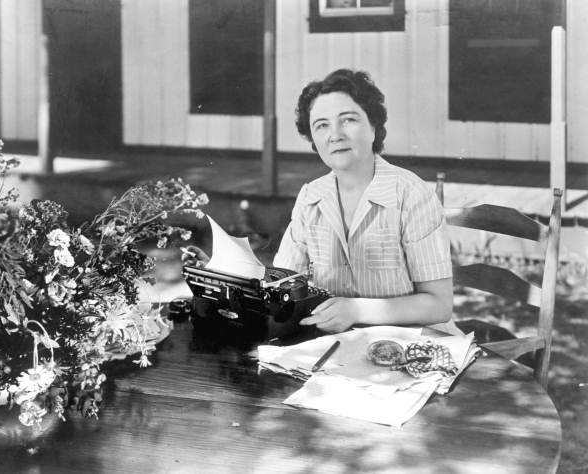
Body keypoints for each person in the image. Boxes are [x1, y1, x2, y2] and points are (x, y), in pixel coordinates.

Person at [188, 68, 459, 335]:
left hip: (414, 347)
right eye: (322, 125)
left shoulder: (412, 195)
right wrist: (221, 271)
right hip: (335, 347)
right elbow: (281, 281)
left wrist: (357, 310)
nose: (335, 134)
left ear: (374, 128)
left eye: (349, 120)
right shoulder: (311, 197)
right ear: (314, 140)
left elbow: (439, 305)